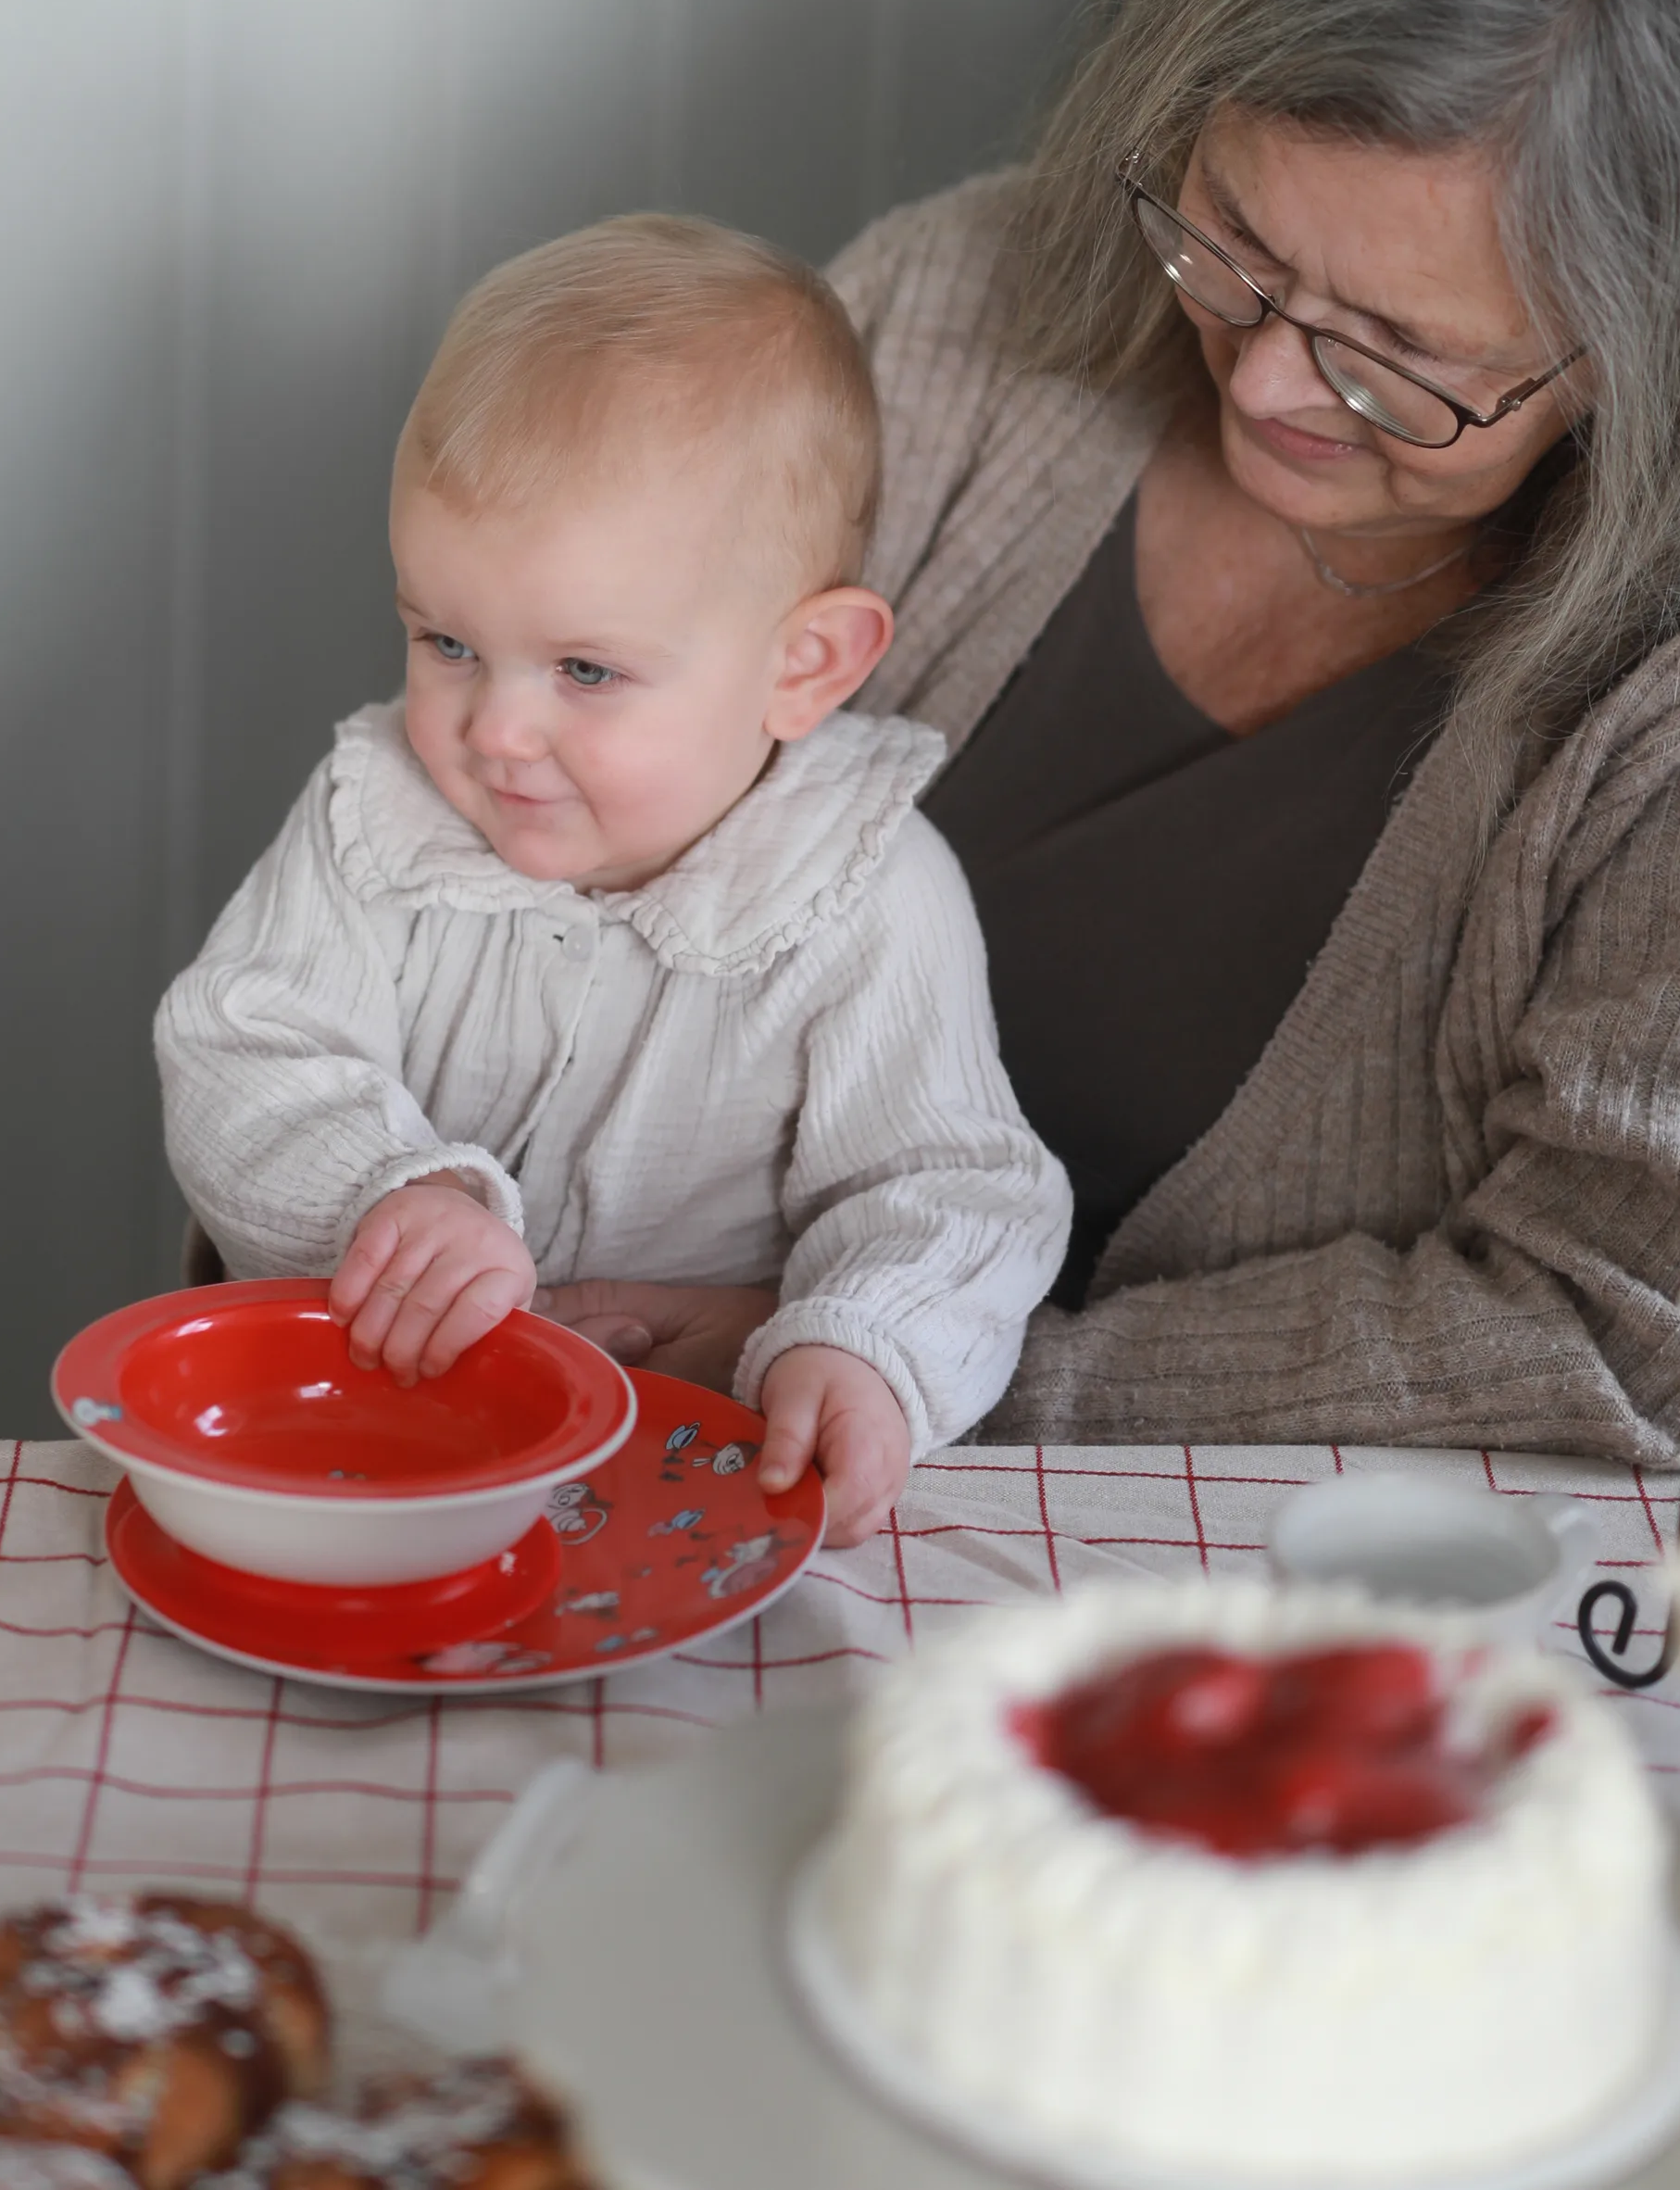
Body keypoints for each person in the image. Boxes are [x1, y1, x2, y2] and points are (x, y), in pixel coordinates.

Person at [544, 0, 1680, 1473]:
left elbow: (1600, 1334)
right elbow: (543, 783)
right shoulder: (958, 314)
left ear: (1644, 349)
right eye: (1230, 245)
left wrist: (923, 1372)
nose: (1261, 385)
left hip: (1236, 1575)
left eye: (1400, 359)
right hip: (652, 1419)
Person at [154, 216, 1072, 1546]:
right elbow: (241, 1045)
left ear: (805, 665)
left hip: (697, 1470)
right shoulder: (375, 817)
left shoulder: (869, 892)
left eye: (584, 670)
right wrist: (393, 1193)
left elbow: (951, 1184)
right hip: (387, 1446)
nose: (495, 730)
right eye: (448, 640)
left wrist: (867, 1346)